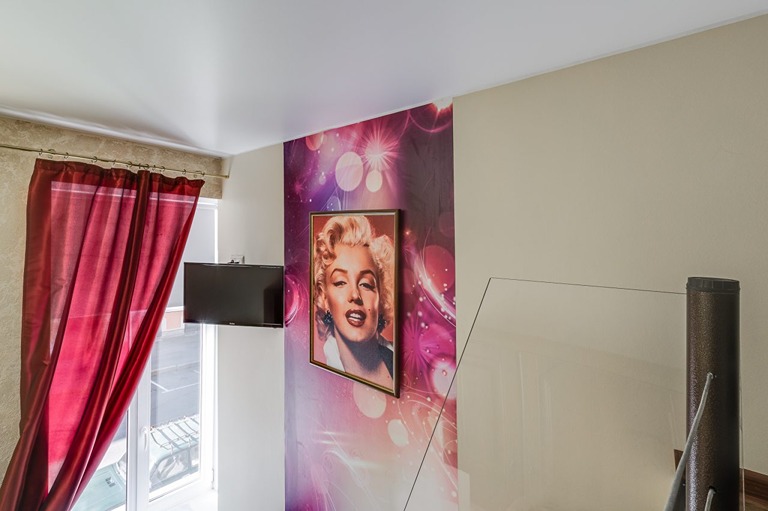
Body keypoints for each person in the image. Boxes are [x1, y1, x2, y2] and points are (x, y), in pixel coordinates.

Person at [313, 215, 395, 389]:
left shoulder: (405, 364)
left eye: (366, 284)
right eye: (340, 282)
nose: (355, 295)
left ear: (381, 298)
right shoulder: (318, 384)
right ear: (325, 298)